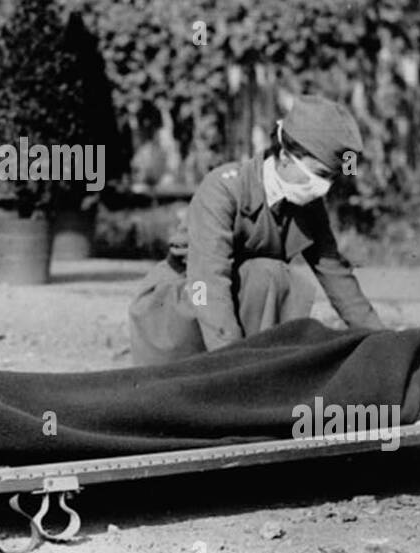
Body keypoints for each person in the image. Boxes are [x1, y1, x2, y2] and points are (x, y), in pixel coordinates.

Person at [127, 94, 383, 367]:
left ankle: (258, 369)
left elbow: (336, 275)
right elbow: (208, 282)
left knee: (275, 276)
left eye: (332, 178)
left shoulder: (308, 207)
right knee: (267, 274)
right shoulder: (224, 189)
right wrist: (233, 366)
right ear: (285, 156)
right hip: (183, 303)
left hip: (233, 306)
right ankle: (242, 372)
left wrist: (382, 341)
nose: (325, 187)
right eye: (319, 174)